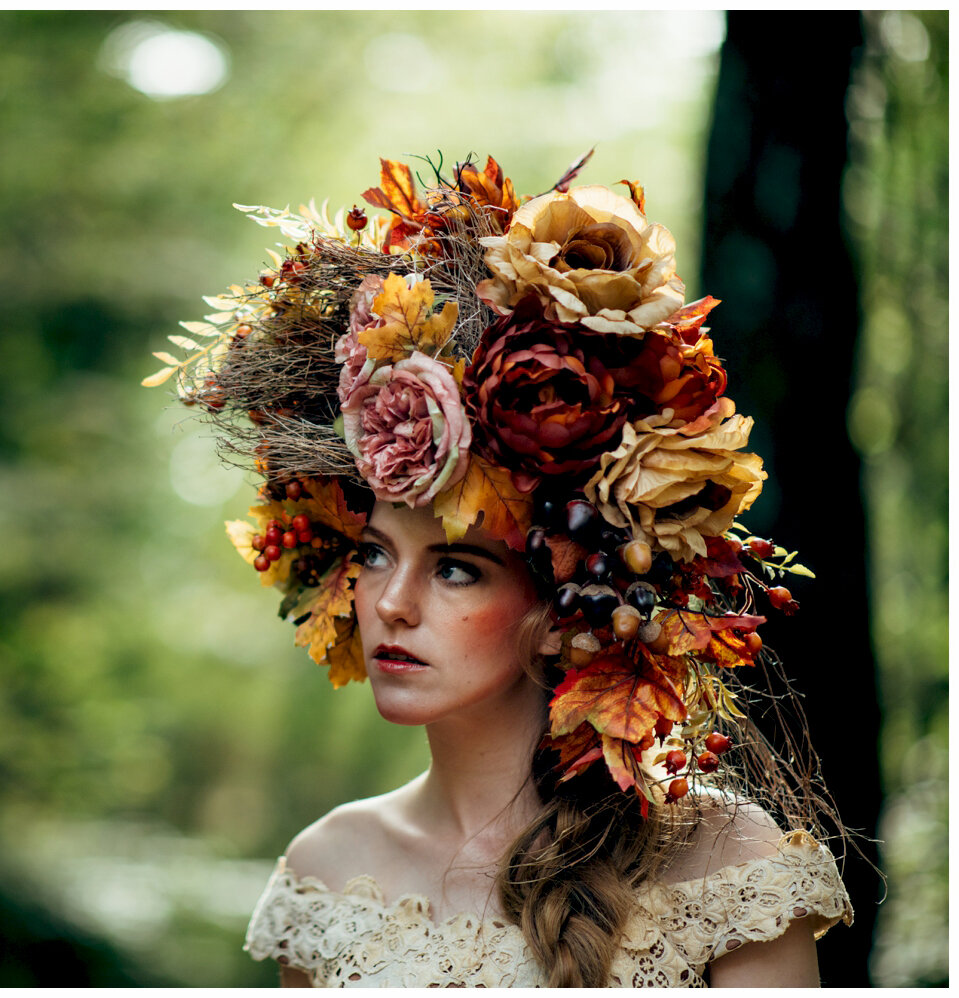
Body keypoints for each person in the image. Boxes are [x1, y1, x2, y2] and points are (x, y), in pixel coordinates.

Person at [148, 152, 853, 986]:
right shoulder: (331, 870)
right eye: (374, 554)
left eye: (456, 570)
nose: (392, 605)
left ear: (562, 601)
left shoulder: (722, 862)